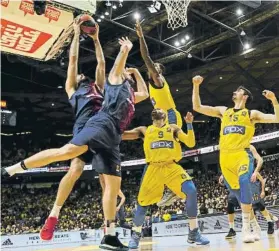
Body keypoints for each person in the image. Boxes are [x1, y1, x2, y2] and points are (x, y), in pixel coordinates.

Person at [2, 37, 149, 250]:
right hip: (92, 125)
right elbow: (85, 63)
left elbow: (112, 71)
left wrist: (102, 43)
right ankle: (16, 172)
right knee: (71, 161)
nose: (83, 74)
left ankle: (109, 236)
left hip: (112, 133)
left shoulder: (115, 92)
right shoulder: (86, 87)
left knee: (112, 183)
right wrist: (119, 49)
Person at [38, 18, 105, 241]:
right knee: (75, 170)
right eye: (76, 75)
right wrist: (76, 34)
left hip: (101, 132)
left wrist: (96, 40)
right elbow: (73, 59)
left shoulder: (99, 87)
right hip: (82, 132)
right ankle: (54, 215)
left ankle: (109, 225)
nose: (79, 74)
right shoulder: (71, 89)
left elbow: (101, 64)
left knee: (107, 177)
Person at [192, 75, 279, 243]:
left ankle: (245, 228)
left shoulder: (251, 114)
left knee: (245, 182)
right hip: (224, 158)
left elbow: (277, 118)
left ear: (244, 96)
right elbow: (197, 106)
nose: (234, 92)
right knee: (239, 196)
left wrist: (274, 100)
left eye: (238, 91)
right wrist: (195, 86)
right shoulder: (224, 111)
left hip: (242, 154)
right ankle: (254, 224)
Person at [122, 108, 210, 248]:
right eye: (155, 110)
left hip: (171, 167)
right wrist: (111, 127)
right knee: (143, 204)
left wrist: (189, 124)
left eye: (160, 110)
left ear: (165, 116)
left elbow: (191, 143)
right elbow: (123, 135)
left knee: (191, 191)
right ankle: (136, 235)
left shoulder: (173, 128)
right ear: (152, 117)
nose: (157, 110)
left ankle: (193, 233)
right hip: (153, 169)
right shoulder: (145, 130)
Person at [135, 20, 182, 206]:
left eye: (155, 68)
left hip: (170, 116)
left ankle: (173, 189)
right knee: (161, 156)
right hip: (166, 116)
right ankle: (172, 189)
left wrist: (141, 37)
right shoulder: (152, 86)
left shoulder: (158, 80)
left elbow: (146, 58)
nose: (152, 69)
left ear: (159, 72)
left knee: (167, 156)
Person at [219, 145, 275, 240]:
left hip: (250, 182)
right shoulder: (234, 147)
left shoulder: (250, 147)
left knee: (258, 206)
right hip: (237, 180)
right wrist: (223, 174)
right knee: (240, 204)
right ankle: (251, 228)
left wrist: (256, 173)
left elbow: (260, 160)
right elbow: (231, 164)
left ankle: (268, 222)